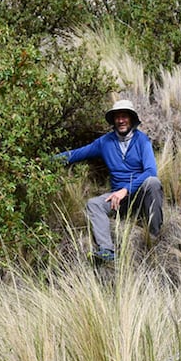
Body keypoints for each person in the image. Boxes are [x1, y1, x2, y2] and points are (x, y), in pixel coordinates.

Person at [57, 99, 163, 263]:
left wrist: (125, 190)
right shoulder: (104, 142)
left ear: (131, 119)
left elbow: (151, 171)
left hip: (139, 196)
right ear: (113, 120)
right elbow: (77, 153)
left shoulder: (142, 141)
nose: (121, 120)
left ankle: (154, 237)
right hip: (117, 201)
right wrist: (46, 161)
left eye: (124, 116)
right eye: (117, 117)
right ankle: (106, 250)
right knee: (93, 204)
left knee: (153, 183)